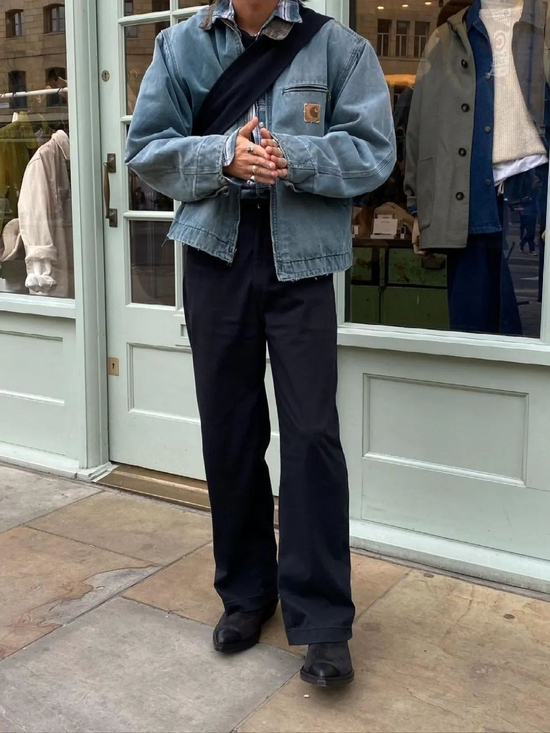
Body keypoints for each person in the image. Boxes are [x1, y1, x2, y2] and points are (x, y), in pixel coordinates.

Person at [125, 0, 395, 687]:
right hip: (214, 256)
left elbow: (373, 151)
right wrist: (223, 156)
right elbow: (146, 149)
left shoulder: (339, 49)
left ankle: (323, 621)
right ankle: (246, 593)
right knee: (231, 430)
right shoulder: (178, 47)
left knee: (313, 435)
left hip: (302, 261)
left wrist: (290, 157)